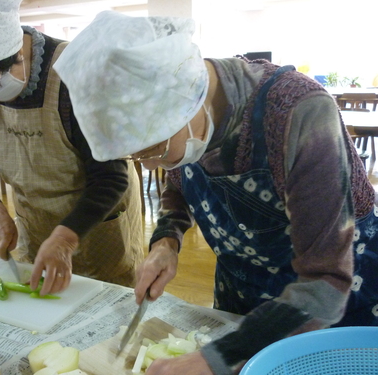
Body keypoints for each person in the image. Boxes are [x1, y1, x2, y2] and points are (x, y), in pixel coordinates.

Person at [54, 10, 378, 375]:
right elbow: (179, 184)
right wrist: (166, 241)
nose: (148, 166)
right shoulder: (188, 118)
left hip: (331, 302)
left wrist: (211, 360)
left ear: (189, 103)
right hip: (243, 289)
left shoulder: (299, 114)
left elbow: (326, 284)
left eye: (152, 148)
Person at [0, 1, 144, 295]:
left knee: (103, 302)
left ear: (14, 54)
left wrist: (65, 239)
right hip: (36, 222)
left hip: (98, 222)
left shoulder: (76, 72)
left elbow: (111, 177)